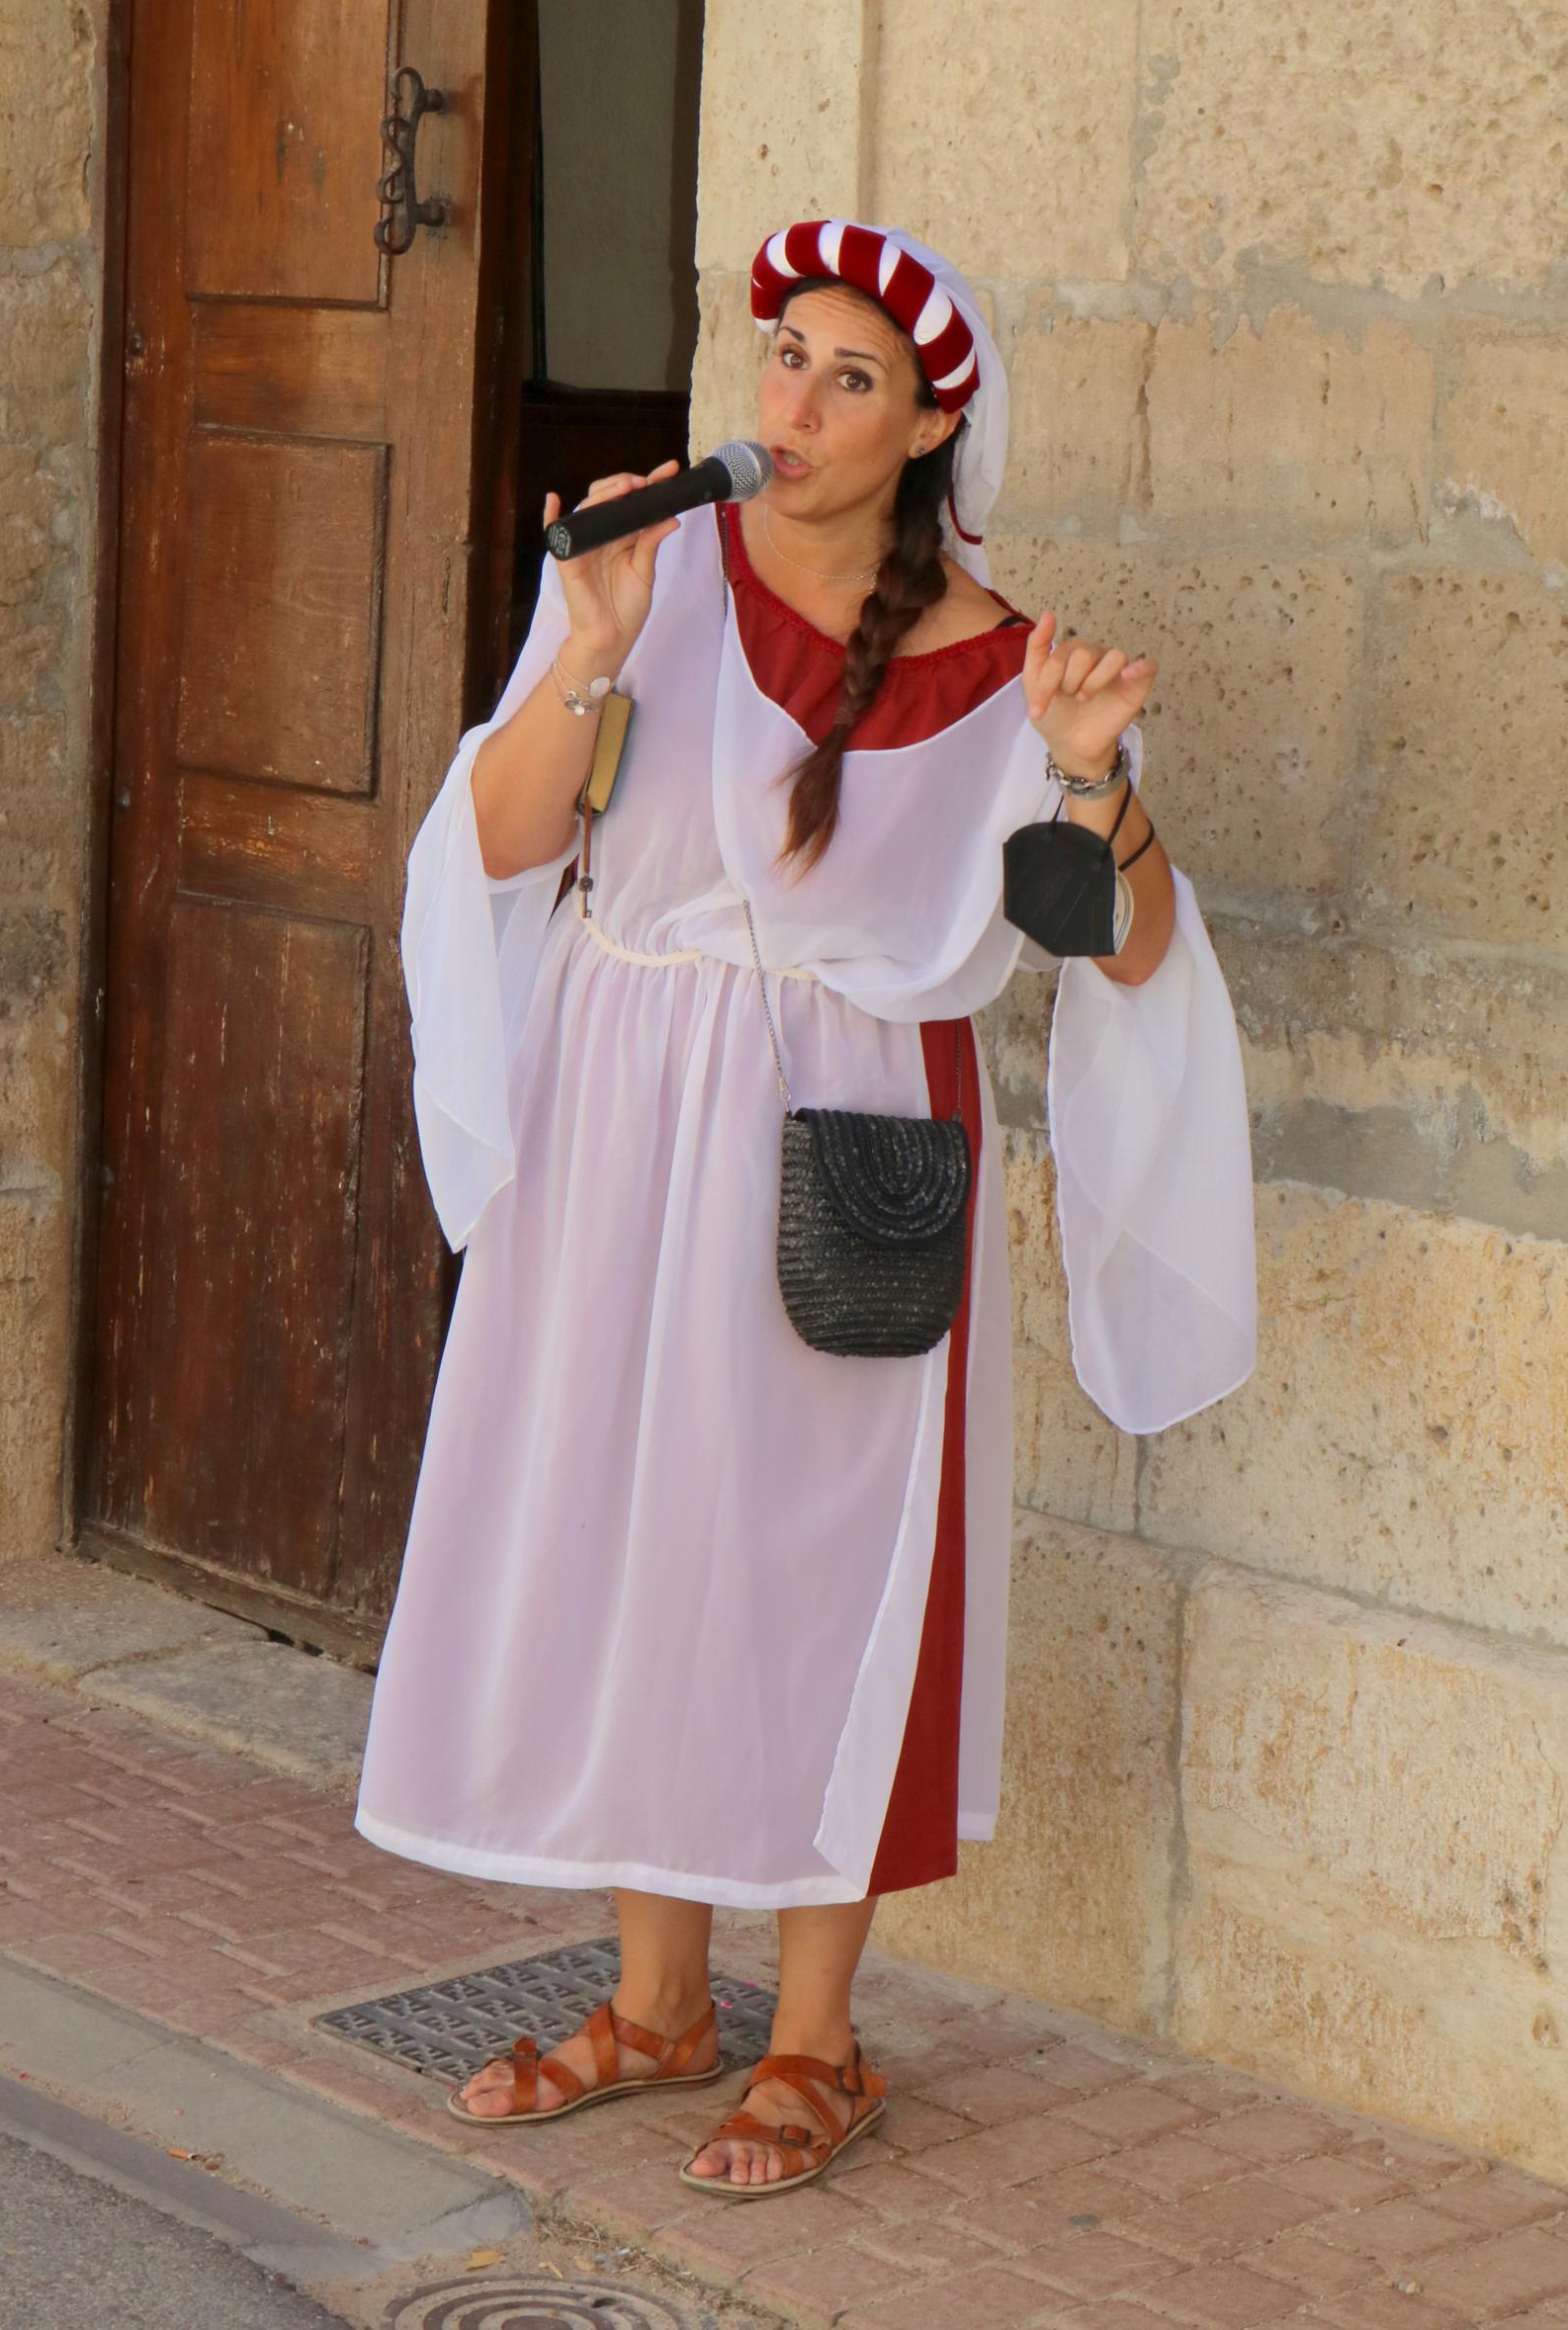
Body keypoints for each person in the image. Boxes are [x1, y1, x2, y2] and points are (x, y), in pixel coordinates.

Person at [355, 218, 1257, 2198]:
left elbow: (1114, 946)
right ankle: (659, 2006)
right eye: (781, 356)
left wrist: (1095, 783)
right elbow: (501, 839)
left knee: (826, 1566)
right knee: (628, 1530)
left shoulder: (1017, 673)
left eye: (851, 376)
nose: (794, 404)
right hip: (618, 1110)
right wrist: (585, 647)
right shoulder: (650, 577)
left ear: (938, 422)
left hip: (849, 1141)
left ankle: (818, 2038)